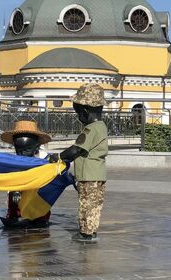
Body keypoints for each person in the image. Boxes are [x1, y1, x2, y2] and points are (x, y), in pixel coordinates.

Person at [49, 84, 108, 243]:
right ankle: (92, 231)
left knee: (86, 204)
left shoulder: (90, 129)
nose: (78, 117)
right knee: (94, 205)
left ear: (85, 111)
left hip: (88, 176)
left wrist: (59, 156)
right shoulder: (101, 126)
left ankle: (85, 233)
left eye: (78, 113)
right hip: (98, 174)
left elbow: (76, 150)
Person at [0, 120, 52, 228]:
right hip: (18, 197)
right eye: (19, 149)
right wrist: (15, 191)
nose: (23, 154)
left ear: (37, 147)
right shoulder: (13, 161)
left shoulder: (45, 160)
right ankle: (14, 217)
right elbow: (12, 179)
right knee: (13, 194)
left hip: (38, 200)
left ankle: (38, 218)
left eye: (27, 149)